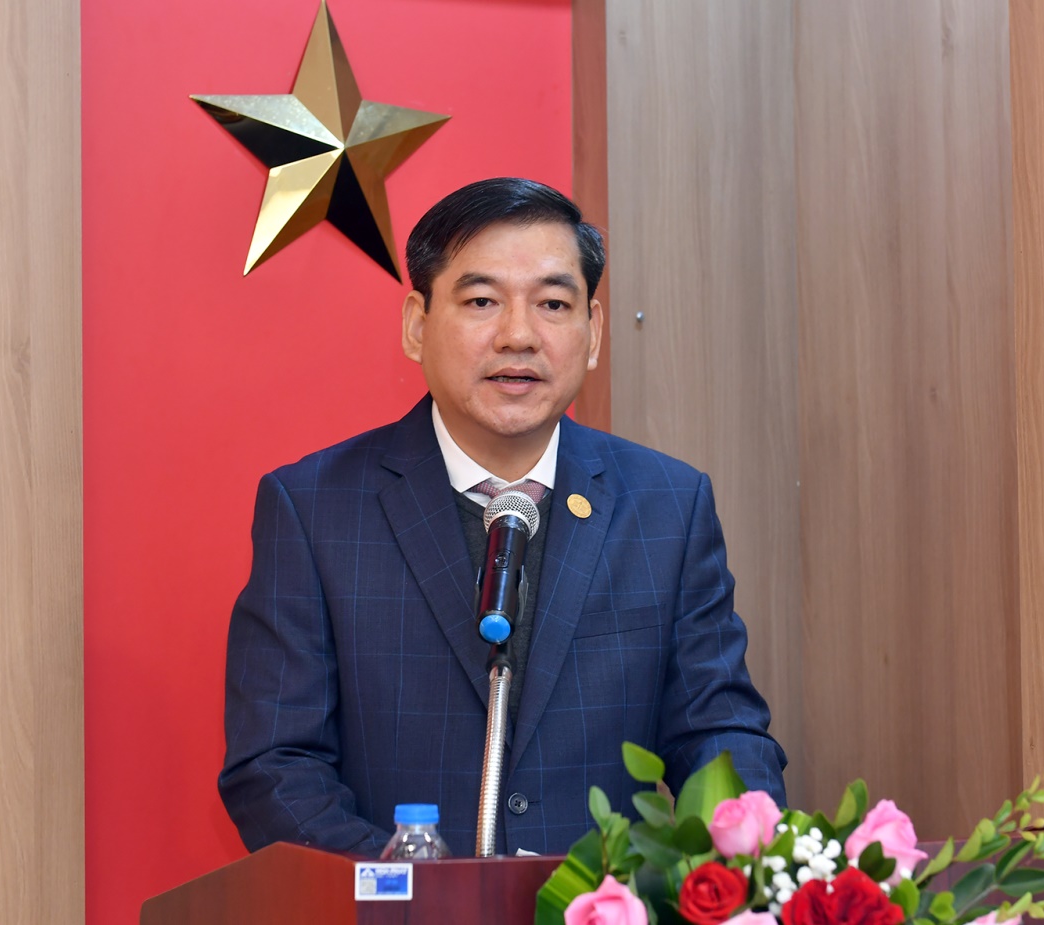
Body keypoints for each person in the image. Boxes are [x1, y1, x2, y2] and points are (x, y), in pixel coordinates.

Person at [219, 177, 787, 858]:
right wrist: (415, 889)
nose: (519, 335)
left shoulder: (667, 504)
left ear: (593, 331)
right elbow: (276, 766)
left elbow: (718, 732)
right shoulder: (315, 508)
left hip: (605, 900)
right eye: (482, 301)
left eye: (553, 304)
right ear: (417, 325)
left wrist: (742, 864)